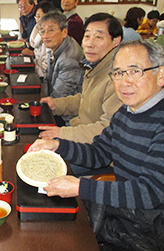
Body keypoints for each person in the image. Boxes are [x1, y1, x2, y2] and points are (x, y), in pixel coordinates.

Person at [29, 40, 164, 251]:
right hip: (128, 215)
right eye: (118, 73)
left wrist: (79, 187)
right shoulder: (126, 113)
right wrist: (58, 146)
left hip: (157, 234)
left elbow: (148, 192)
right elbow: (99, 153)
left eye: (134, 71)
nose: (124, 81)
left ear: (161, 75)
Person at [39, 13, 123, 172]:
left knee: (43, 164)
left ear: (116, 41)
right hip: (81, 135)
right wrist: (56, 104)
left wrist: (63, 133)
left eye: (98, 37)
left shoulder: (118, 77)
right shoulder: (96, 65)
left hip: (98, 154)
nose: (90, 44)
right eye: (87, 36)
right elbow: (84, 98)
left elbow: (107, 129)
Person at [40, 11, 84, 102]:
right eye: (43, 31)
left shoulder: (69, 60)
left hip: (66, 113)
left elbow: (58, 98)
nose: (45, 36)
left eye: (51, 30)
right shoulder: (59, 45)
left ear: (64, 32)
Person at [21, 1, 55, 80]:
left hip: (44, 78)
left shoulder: (49, 38)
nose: (40, 20)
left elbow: (47, 68)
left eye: (44, 16)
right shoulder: (37, 30)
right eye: (38, 16)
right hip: (37, 70)